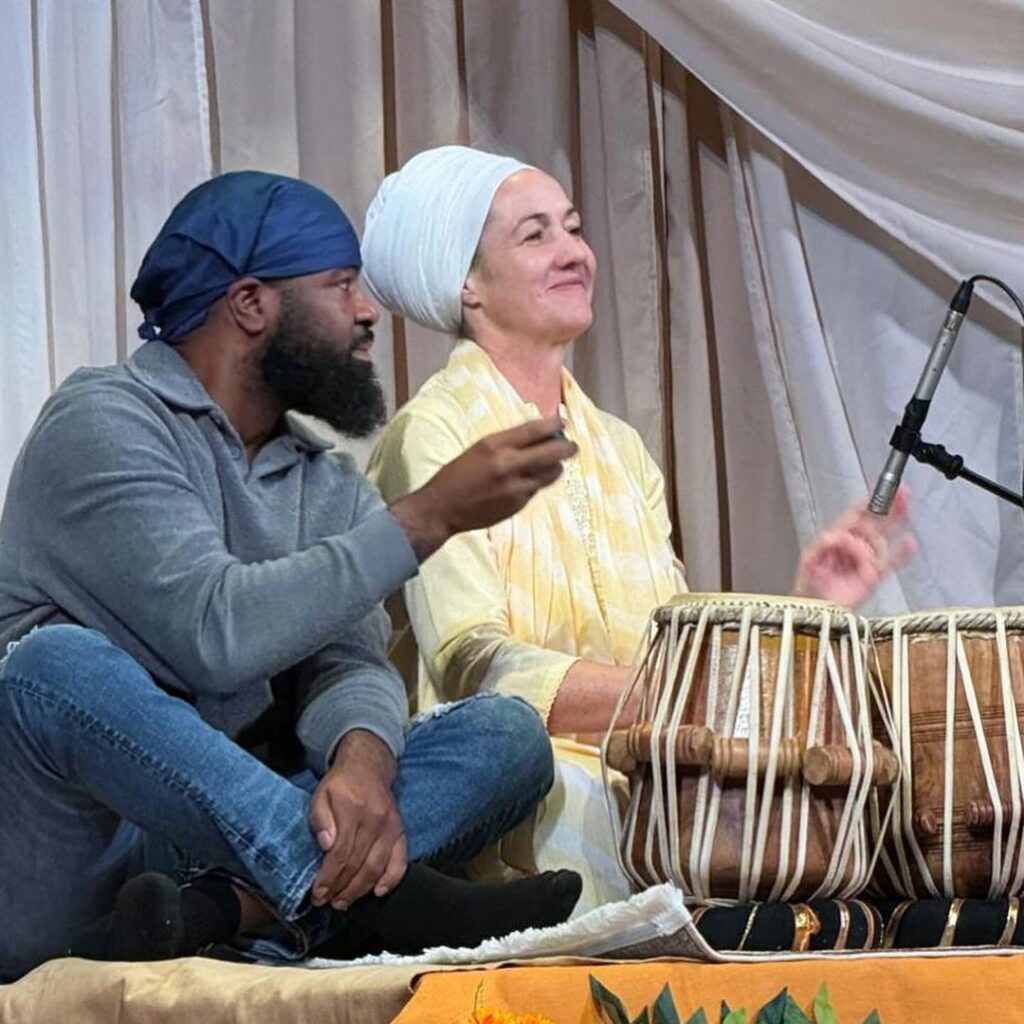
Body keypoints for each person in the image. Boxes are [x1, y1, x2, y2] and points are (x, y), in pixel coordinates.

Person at [0, 171, 584, 982]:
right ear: (250, 304)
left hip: (211, 843)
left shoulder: (325, 478)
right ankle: (364, 902)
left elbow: (349, 661)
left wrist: (362, 762)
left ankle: (224, 912)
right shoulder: (102, 421)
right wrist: (425, 518)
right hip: (77, 851)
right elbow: (216, 635)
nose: (367, 311)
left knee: (506, 735)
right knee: (52, 667)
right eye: (340, 285)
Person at [363, 145, 914, 912]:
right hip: (509, 783)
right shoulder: (433, 433)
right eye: (535, 235)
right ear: (467, 283)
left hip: (640, 766)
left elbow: (670, 647)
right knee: (587, 799)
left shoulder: (619, 449)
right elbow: (473, 666)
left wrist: (802, 609)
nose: (574, 252)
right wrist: (679, 695)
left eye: (573, 227)